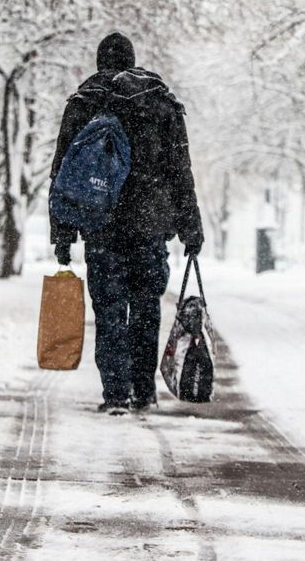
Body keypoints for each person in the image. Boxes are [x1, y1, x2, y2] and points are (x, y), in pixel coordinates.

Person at [49, 32, 203, 415]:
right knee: (147, 307)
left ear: (101, 61)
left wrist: (63, 232)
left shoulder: (85, 102)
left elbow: (64, 173)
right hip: (151, 225)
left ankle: (115, 394)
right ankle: (143, 391)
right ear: (133, 61)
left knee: (110, 310)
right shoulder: (162, 104)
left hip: (102, 225)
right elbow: (180, 170)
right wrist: (190, 227)